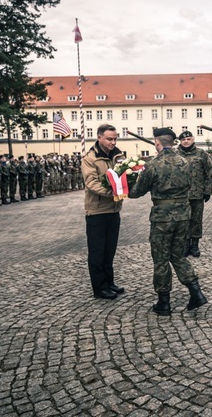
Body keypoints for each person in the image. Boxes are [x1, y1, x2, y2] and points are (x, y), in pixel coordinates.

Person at [129, 127, 208, 315]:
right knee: (178, 255)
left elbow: (138, 191)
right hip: (183, 214)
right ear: (173, 142)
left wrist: (124, 186)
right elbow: (191, 184)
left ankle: (163, 303)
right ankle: (196, 292)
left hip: (162, 218)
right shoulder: (185, 161)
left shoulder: (153, 164)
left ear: (157, 142)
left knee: (161, 259)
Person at [81, 124, 126, 300]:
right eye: (109, 139)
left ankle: (109, 282)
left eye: (115, 139)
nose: (112, 142)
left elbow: (124, 175)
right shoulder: (90, 159)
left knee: (110, 250)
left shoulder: (118, 156)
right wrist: (113, 192)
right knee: (97, 252)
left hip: (114, 209)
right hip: (97, 211)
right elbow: (91, 183)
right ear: (99, 137)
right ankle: (99, 288)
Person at [176, 130, 212, 257]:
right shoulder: (175, 154)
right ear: (180, 141)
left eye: (188, 139)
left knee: (196, 220)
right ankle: (185, 245)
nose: (186, 142)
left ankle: (195, 245)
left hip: (197, 194)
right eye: (183, 140)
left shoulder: (201, 154)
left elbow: (209, 172)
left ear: (193, 140)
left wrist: (208, 191)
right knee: (183, 221)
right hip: (180, 195)